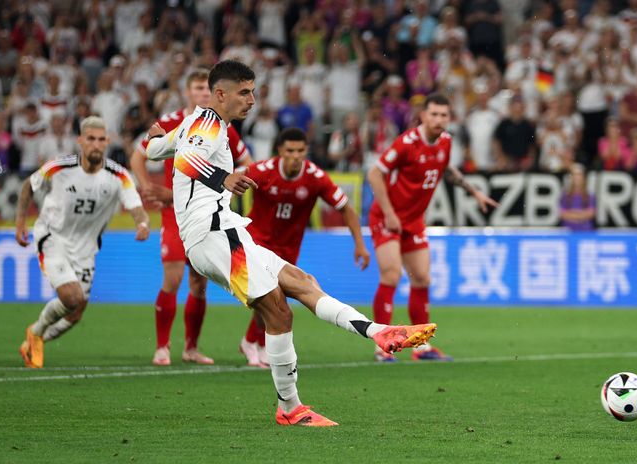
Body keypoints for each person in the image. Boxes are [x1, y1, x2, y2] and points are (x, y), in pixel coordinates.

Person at [145, 60, 436, 426]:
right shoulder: (208, 124)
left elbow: (157, 151)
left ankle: (378, 331)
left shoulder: (195, 122)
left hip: (225, 230)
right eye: (244, 92)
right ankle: (290, 407)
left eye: (253, 91)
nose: (252, 100)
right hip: (212, 234)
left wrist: (155, 138)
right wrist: (223, 178)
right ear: (220, 94)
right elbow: (186, 161)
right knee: (278, 311)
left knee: (301, 281)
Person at [129, 69, 253, 366]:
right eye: (197, 88)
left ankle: (191, 347)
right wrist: (148, 188)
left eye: (204, 88)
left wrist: (231, 182)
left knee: (199, 284)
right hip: (175, 214)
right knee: (172, 278)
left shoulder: (224, 125)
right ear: (187, 92)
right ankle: (162, 346)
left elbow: (248, 162)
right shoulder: (174, 121)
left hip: (207, 214)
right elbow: (140, 155)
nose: (201, 93)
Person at [366, 93, 498, 362]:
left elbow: (445, 169)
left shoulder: (445, 142)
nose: (439, 120)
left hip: (413, 220)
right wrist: (389, 213)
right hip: (387, 216)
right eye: (434, 114)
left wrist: (474, 192)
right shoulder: (407, 143)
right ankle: (382, 346)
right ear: (423, 116)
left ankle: (421, 347)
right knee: (391, 275)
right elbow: (374, 173)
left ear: (449, 118)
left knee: (422, 278)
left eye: (443, 115)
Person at [16, 116, 149, 368]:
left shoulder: (119, 176)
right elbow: (28, 186)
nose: (96, 144)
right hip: (53, 237)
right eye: (91, 139)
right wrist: (21, 222)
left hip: (86, 249)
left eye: (101, 139)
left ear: (107, 142)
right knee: (71, 297)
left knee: (75, 313)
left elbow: (137, 208)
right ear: (80, 141)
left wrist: (142, 224)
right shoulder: (59, 167)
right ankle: (36, 332)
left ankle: (36, 337)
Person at [238, 127, 371, 368]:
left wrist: (360, 245)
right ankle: (256, 344)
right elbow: (229, 182)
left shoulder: (315, 177)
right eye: (290, 150)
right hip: (258, 243)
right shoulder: (263, 171)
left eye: (300, 150)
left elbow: (346, 209)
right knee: (270, 295)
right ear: (280, 150)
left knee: (273, 297)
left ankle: (252, 342)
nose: (295, 156)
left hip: (289, 248)